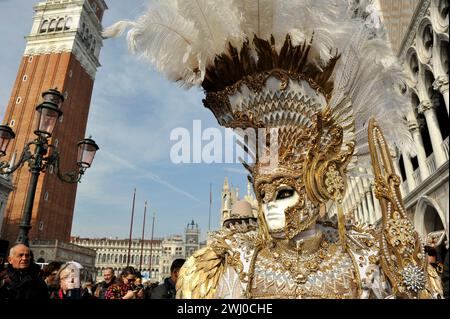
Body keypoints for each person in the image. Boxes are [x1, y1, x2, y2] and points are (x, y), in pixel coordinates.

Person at [105, 0, 439, 299]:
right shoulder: (227, 267)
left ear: (319, 182)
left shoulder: (367, 257)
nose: (269, 210)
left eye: (282, 193)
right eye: (262, 196)